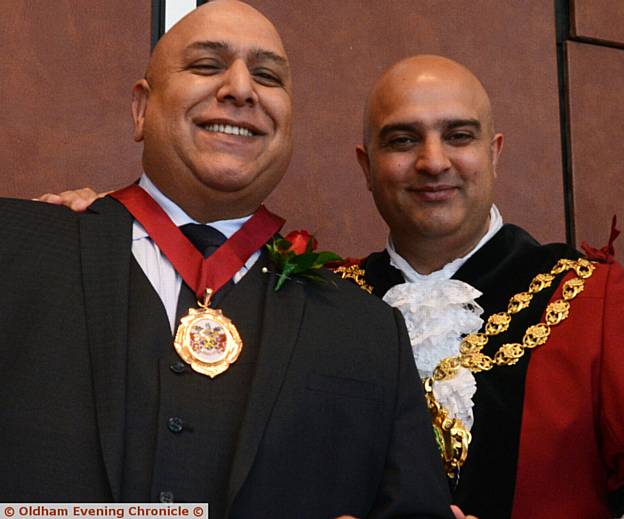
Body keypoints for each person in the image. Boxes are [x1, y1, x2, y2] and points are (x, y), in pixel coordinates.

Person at [0, 3, 457, 517]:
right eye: (206, 65)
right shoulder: (15, 250)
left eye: (267, 75)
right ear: (141, 109)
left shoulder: (369, 330)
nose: (241, 89)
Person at [352, 55, 624, 518]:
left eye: (458, 136)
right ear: (367, 167)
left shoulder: (591, 298)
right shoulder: (326, 305)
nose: (433, 161)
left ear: (494, 153)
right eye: (403, 140)